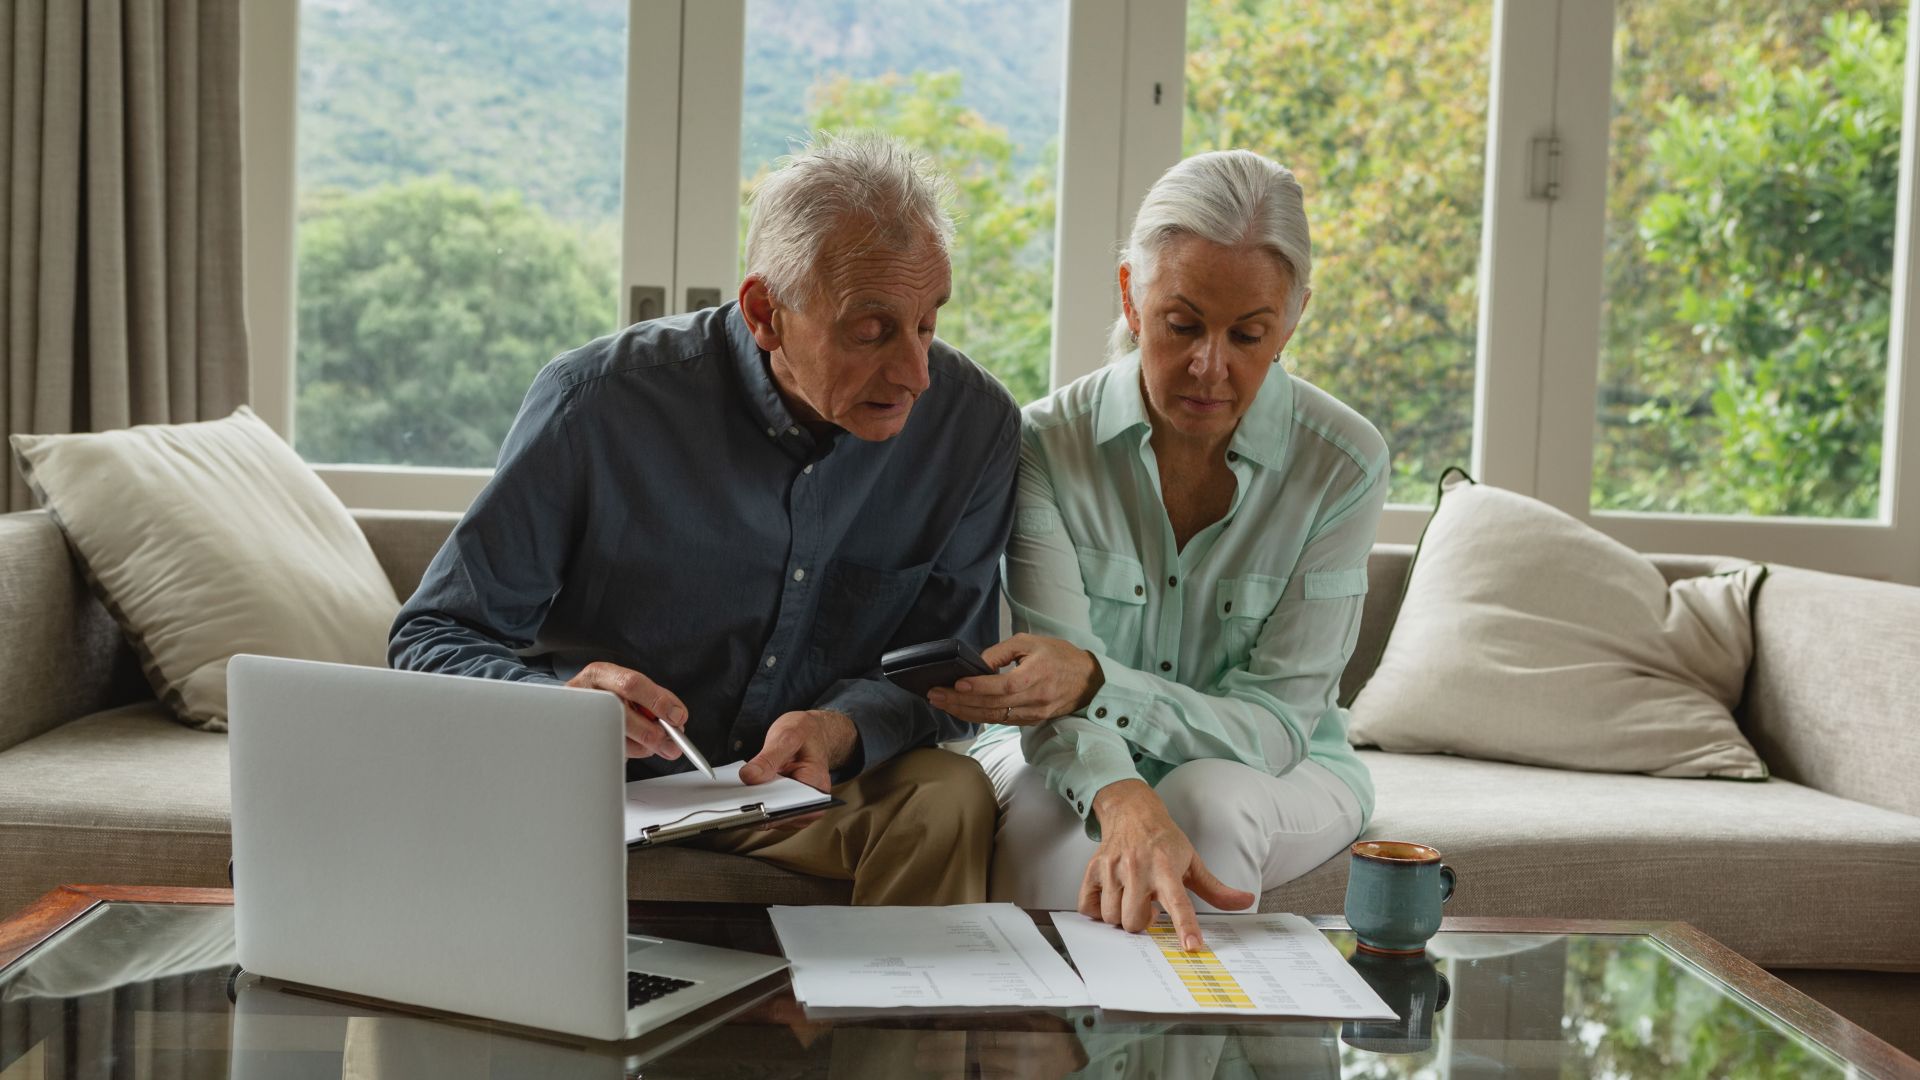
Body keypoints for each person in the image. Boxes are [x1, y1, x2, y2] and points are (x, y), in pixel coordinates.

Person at [390, 132, 1018, 905]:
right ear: (765, 312)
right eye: (872, 329)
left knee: (949, 794)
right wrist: (563, 710)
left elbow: (945, 677)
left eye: (929, 323)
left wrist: (841, 728)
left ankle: (883, 1025)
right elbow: (430, 637)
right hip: (603, 789)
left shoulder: (974, 426)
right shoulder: (596, 404)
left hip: (810, 792)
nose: (916, 373)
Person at [939, 150, 1387, 948]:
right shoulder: (1046, 442)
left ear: (1292, 321)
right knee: (1048, 821)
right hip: (1067, 747)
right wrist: (1121, 794)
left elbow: (1278, 725)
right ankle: (1035, 1049)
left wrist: (1103, 684)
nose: (1209, 367)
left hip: (1282, 767)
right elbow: (1051, 695)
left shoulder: (1343, 463)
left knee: (1208, 803)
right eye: (1182, 325)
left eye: (1248, 335)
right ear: (1129, 297)